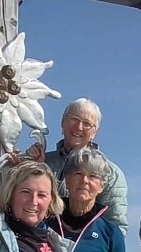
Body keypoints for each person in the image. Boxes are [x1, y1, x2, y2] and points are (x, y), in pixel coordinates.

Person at [41, 98, 128, 228]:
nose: (79, 127)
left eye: (86, 124)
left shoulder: (111, 173)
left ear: (94, 133)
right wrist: (32, 167)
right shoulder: (44, 162)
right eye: (74, 119)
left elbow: (116, 225)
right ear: (63, 122)